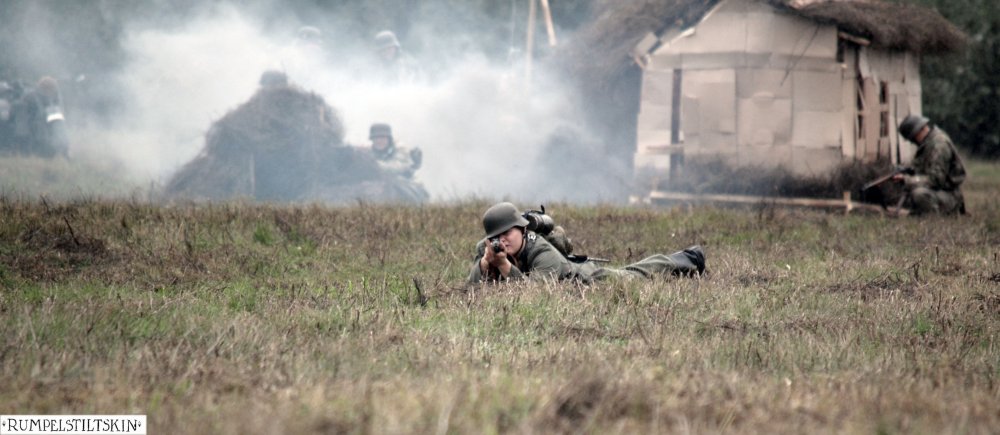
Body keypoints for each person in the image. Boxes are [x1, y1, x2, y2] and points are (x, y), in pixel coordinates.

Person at [468, 202, 705, 284]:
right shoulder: (487, 249)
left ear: (522, 229)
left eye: (507, 232)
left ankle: (689, 258)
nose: (502, 240)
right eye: (496, 236)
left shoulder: (540, 250)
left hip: (585, 279)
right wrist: (485, 264)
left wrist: (504, 266)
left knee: (635, 275)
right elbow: (472, 287)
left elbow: (530, 292)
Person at [894, 115, 966, 215]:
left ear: (919, 131)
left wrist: (907, 180)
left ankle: (935, 217)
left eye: (912, 138)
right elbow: (920, 167)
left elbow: (936, 180)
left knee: (919, 194)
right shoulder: (928, 143)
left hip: (949, 195)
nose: (912, 142)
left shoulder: (939, 145)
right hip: (939, 192)